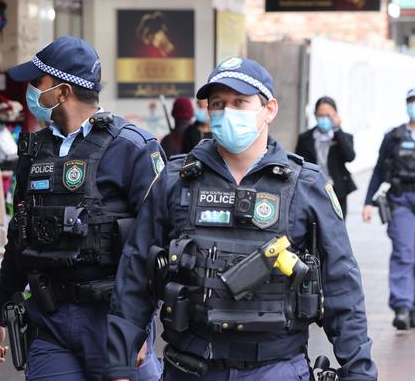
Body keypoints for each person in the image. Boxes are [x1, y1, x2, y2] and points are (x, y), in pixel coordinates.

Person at [107, 57, 377, 381]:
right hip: (190, 367)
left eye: (240, 102)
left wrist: (358, 371)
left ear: (269, 109)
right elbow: (136, 270)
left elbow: (341, 286)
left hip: (275, 369)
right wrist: (120, 362)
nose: (227, 112)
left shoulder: (305, 186)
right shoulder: (175, 180)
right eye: (218, 103)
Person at [0, 36, 163, 381]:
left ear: (62, 92)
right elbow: (18, 239)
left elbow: (157, 246)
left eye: (38, 83)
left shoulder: (133, 149)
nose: (31, 91)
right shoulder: (34, 152)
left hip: (112, 320)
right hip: (50, 321)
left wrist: (138, 327)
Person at [363, 86, 415, 330]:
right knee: (404, 252)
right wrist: (368, 202)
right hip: (401, 199)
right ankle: (403, 306)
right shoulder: (394, 136)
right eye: (412, 101)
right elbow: (378, 170)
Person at [295, 96, 356, 219]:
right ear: (315, 115)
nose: (324, 119)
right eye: (321, 115)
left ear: (335, 115)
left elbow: (350, 157)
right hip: (312, 189)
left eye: (328, 115)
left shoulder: (343, 137)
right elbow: (299, 164)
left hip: (337, 190)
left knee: (337, 225)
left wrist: (338, 129)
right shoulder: (305, 138)